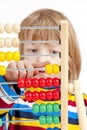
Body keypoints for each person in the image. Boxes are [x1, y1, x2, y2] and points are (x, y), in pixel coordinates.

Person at [0, 8, 87, 130]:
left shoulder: (82, 104)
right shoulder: (13, 100)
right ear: (21, 55)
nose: (41, 60)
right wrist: (7, 83)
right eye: (33, 50)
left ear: (70, 59)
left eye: (54, 51)